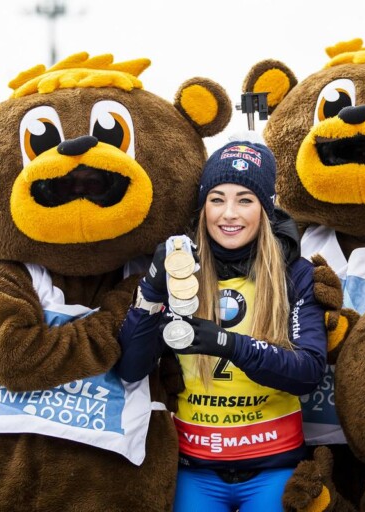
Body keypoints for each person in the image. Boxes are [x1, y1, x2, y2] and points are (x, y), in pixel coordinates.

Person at [116, 135, 328, 512]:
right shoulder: (182, 271)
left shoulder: (295, 273)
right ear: (203, 208)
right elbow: (132, 369)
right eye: (217, 199)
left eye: (245, 200)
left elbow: (308, 371)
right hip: (195, 468)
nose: (229, 213)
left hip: (273, 464)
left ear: (266, 208)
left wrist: (228, 344)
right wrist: (151, 287)